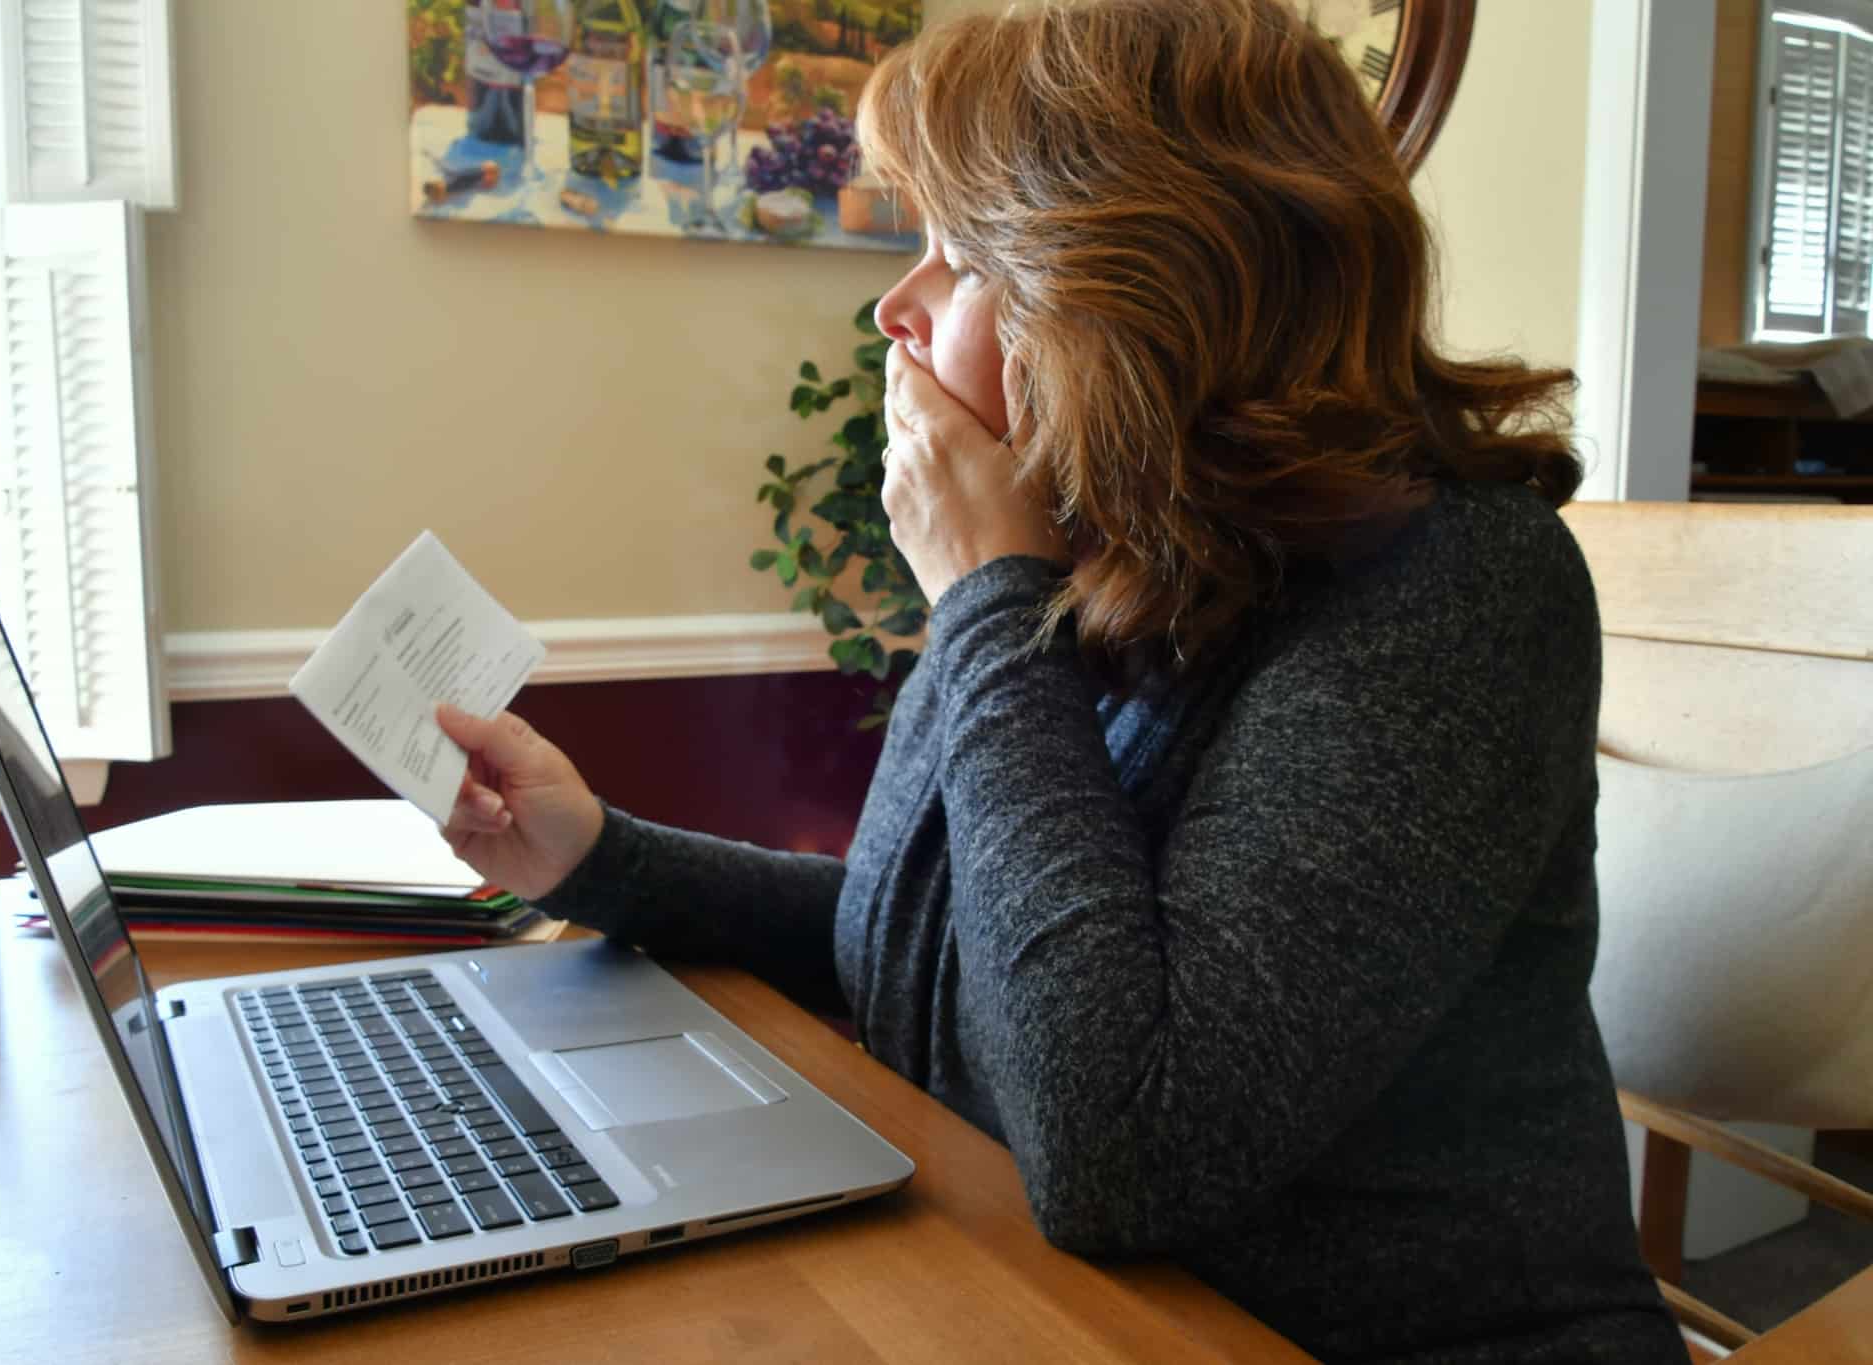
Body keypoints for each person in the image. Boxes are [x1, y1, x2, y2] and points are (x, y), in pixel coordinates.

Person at [434, 0, 1688, 1359]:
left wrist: (984, 589)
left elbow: (1125, 1137)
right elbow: (918, 943)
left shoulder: (1460, 590)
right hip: (1037, 1296)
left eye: (961, 255)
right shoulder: (1110, 549)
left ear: (1142, 289)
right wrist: (598, 858)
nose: (891, 307)